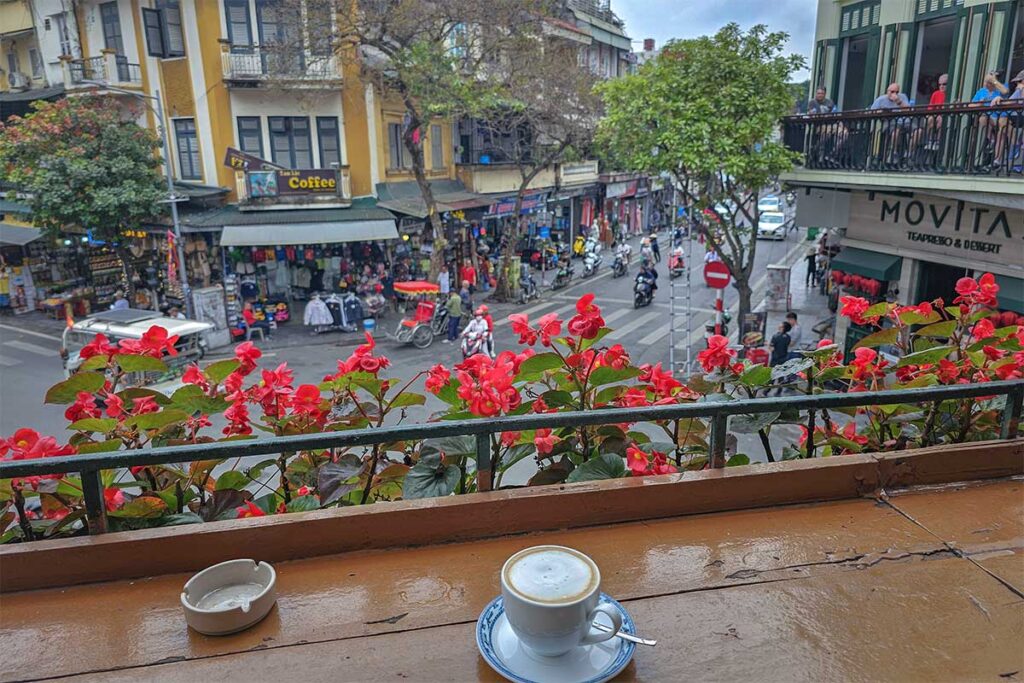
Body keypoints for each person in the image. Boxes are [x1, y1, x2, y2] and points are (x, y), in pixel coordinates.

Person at [991, 70, 1024, 166]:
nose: (1017, 84)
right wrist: (999, 99)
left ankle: (1015, 146)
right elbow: (1009, 102)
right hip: (1015, 116)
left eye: (1019, 81)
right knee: (1002, 122)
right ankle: (997, 160)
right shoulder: (1019, 90)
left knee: (1004, 122)